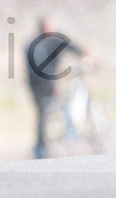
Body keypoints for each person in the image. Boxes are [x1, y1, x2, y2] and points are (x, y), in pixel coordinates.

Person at [25, 17, 88, 158]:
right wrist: (51, 84)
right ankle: (42, 145)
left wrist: (87, 54)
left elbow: (73, 47)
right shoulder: (36, 44)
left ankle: (43, 144)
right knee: (44, 112)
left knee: (45, 112)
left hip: (42, 82)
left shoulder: (51, 40)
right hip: (40, 84)